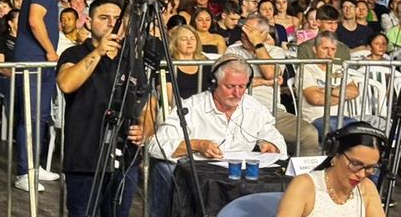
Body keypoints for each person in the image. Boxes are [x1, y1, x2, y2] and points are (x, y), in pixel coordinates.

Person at [147, 55, 287, 217]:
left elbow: (279, 144)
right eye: (230, 86)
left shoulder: (254, 108)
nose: (237, 93)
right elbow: (156, 145)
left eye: (242, 86)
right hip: (201, 180)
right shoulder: (192, 107)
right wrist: (196, 145)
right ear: (214, 83)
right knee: (165, 169)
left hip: (240, 180)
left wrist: (272, 146)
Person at [57, 0, 145, 216]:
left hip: (124, 158)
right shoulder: (74, 54)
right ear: (88, 22)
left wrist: (146, 128)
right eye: (104, 18)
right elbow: (66, 83)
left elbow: (147, 101)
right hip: (85, 158)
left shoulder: (132, 59)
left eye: (117, 19)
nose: (111, 23)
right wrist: (98, 52)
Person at [224, 15, 321, 155]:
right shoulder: (233, 51)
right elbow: (234, 82)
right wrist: (265, 82)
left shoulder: (276, 51)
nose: (244, 34)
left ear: (263, 34)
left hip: (272, 111)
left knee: (309, 133)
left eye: (250, 31)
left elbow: (270, 73)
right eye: (243, 30)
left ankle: (301, 170)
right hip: (239, 111)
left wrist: (258, 45)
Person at [13, 0, 71, 191]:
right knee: (32, 116)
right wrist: (49, 50)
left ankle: (34, 166)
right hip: (33, 59)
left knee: (42, 115)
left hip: (42, 62)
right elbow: (35, 21)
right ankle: (24, 171)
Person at [276, 122, 386, 217]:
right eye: (355, 164)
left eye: (369, 167)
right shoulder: (304, 185)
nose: (361, 174)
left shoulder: (366, 187)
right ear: (335, 153)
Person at [300, 32, 359, 138]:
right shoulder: (306, 69)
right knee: (343, 134)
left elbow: (354, 92)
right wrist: (343, 96)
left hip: (343, 118)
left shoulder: (339, 69)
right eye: (325, 48)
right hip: (317, 119)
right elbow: (315, 98)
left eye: (333, 49)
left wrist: (329, 90)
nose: (329, 53)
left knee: (363, 130)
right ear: (315, 49)